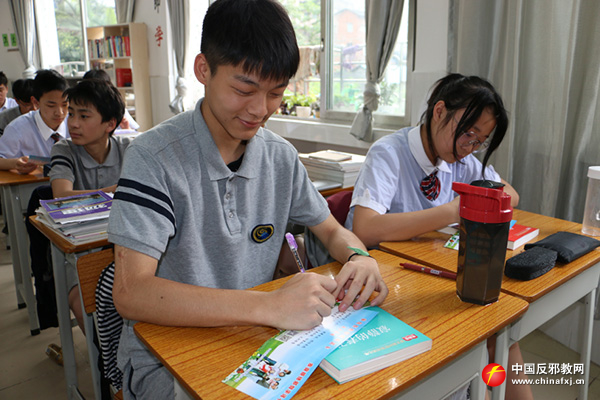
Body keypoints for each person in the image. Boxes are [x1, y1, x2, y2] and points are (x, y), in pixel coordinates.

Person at [108, 0, 388, 398]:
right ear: (203, 70)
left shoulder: (279, 157)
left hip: (257, 342)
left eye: (276, 93)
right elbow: (131, 292)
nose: (260, 110)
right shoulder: (153, 158)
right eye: (244, 90)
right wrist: (268, 305)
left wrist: (360, 257)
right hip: (167, 356)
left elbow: (331, 231)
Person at [346, 73, 531, 400]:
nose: (470, 147)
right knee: (472, 334)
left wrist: (478, 198)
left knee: (499, 327)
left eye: (480, 140)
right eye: (468, 133)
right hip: (383, 284)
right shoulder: (389, 153)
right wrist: (452, 212)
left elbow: (510, 195)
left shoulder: (462, 160)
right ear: (440, 111)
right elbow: (365, 228)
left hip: (429, 275)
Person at [48, 78, 132, 333]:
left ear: (110, 124)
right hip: (78, 252)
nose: (73, 123)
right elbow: (61, 196)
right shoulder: (64, 150)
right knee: (83, 302)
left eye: (84, 116)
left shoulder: (129, 149)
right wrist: (113, 191)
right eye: (72, 113)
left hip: (125, 246)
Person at [0, 69, 69, 173]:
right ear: (36, 103)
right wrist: (15, 163)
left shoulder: (76, 123)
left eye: (65, 105)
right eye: (51, 106)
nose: (60, 113)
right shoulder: (18, 128)